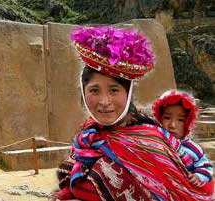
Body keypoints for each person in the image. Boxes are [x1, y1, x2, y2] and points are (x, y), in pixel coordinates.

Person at [50, 26, 214, 201]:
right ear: (83, 93)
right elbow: (74, 185)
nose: (104, 102)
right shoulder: (87, 139)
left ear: (128, 95)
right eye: (94, 91)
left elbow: (191, 189)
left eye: (114, 90)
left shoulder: (155, 140)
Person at [152, 90, 214, 192]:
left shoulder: (193, 149)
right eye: (167, 118)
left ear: (188, 123)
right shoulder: (155, 141)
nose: (172, 125)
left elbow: (205, 167)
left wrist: (198, 176)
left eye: (180, 120)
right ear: (159, 119)